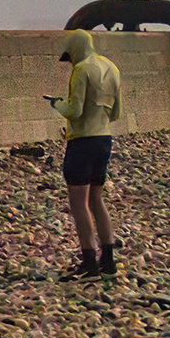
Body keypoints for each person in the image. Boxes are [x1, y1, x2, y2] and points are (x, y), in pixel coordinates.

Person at [52, 29, 123, 280]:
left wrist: (56, 104)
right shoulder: (111, 68)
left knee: (78, 203)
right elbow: (117, 113)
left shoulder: (81, 70)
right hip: (104, 139)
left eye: (69, 57)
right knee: (97, 200)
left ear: (76, 50)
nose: (70, 62)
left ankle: (90, 263)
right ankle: (109, 262)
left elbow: (75, 110)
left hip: (82, 141)